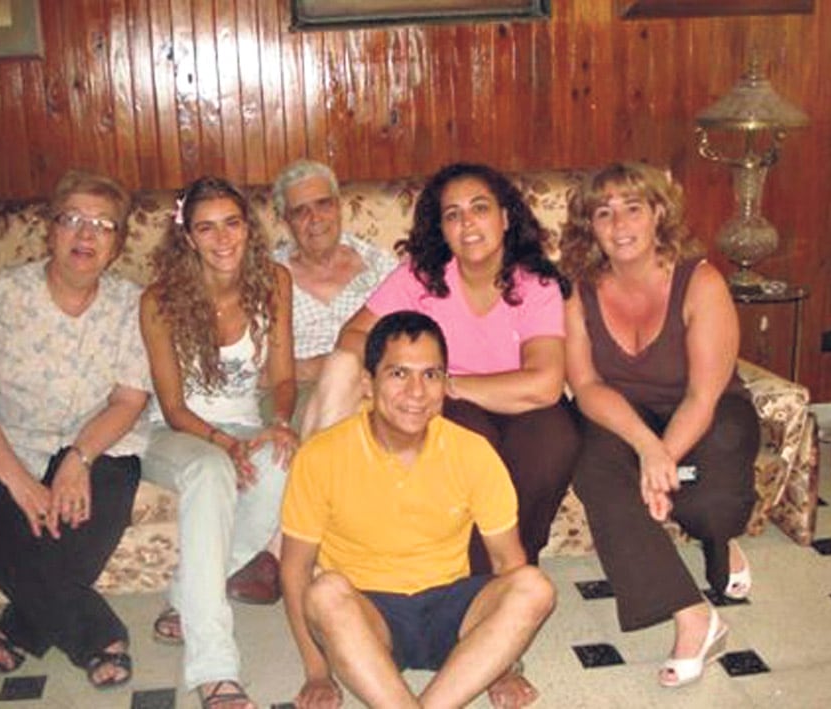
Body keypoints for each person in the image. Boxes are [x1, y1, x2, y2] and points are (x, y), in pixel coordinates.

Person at [0, 170, 150, 688]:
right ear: (49, 230)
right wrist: (19, 481)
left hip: (88, 440)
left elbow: (129, 399)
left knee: (96, 509)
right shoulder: (1, 296)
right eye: (72, 220)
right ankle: (97, 637)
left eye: (102, 225)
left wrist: (79, 460)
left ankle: (21, 628)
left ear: (118, 244)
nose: (85, 235)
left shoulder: (131, 305)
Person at [302, 162, 580, 569]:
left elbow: (544, 385)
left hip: (516, 402)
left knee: (556, 439)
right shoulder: (422, 277)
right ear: (442, 229)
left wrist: (448, 382)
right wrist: (406, 377)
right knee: (468, 438)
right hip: (455, 406)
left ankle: (514, 565)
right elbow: (353, 337)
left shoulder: (535, 283)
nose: (467, 223)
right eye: (453, 214)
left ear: (505, 218)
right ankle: (474, 576)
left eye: (479, 208)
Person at [281, 311, 555, 708]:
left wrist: (504, 667)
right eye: (398, 374)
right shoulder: (321, 456)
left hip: (451, 610)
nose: (416, 392)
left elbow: (507, 561)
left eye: (431, 375)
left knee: (535, 586)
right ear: (367, 384)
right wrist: (318, 672)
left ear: (445, 383)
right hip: (369, 620)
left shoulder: (472, 451)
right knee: (324, 593)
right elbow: (294, 571)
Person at [559, 162, 759, 688]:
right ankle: (692, 616)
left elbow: (702, 394)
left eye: (633, 208)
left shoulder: (702, 280)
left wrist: (664, 456)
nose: (619, 224)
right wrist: (647, 448)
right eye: (604, 213)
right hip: (625, 415)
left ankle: (718, 539)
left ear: (658, 214)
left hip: (707, 411)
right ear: (590, 226)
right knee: (596, 469)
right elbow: (587, 387)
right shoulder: (577, 291)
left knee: (709, 502)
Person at [140, 176, 298, 708]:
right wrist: (224, 446)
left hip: (241, 425)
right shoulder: (159, 301)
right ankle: (215, 670)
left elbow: (282, 377)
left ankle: (185, 598)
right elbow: (172, 407)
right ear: (187, 237)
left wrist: (279, 423)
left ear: (248, 228)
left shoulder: (274, 281)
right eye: (205, 228)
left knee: (283, 459)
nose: (223, 239)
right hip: (174, 435)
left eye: (232, 223)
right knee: (210, 472)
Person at [272, 159, 396, 383]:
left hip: (375, 385)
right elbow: (257, 368)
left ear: (339, 208)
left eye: (323, 204)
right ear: (285, 221)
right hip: (298, 390)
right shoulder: (267, 279)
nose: (315, 219)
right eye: (301, 211)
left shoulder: (381, 266)